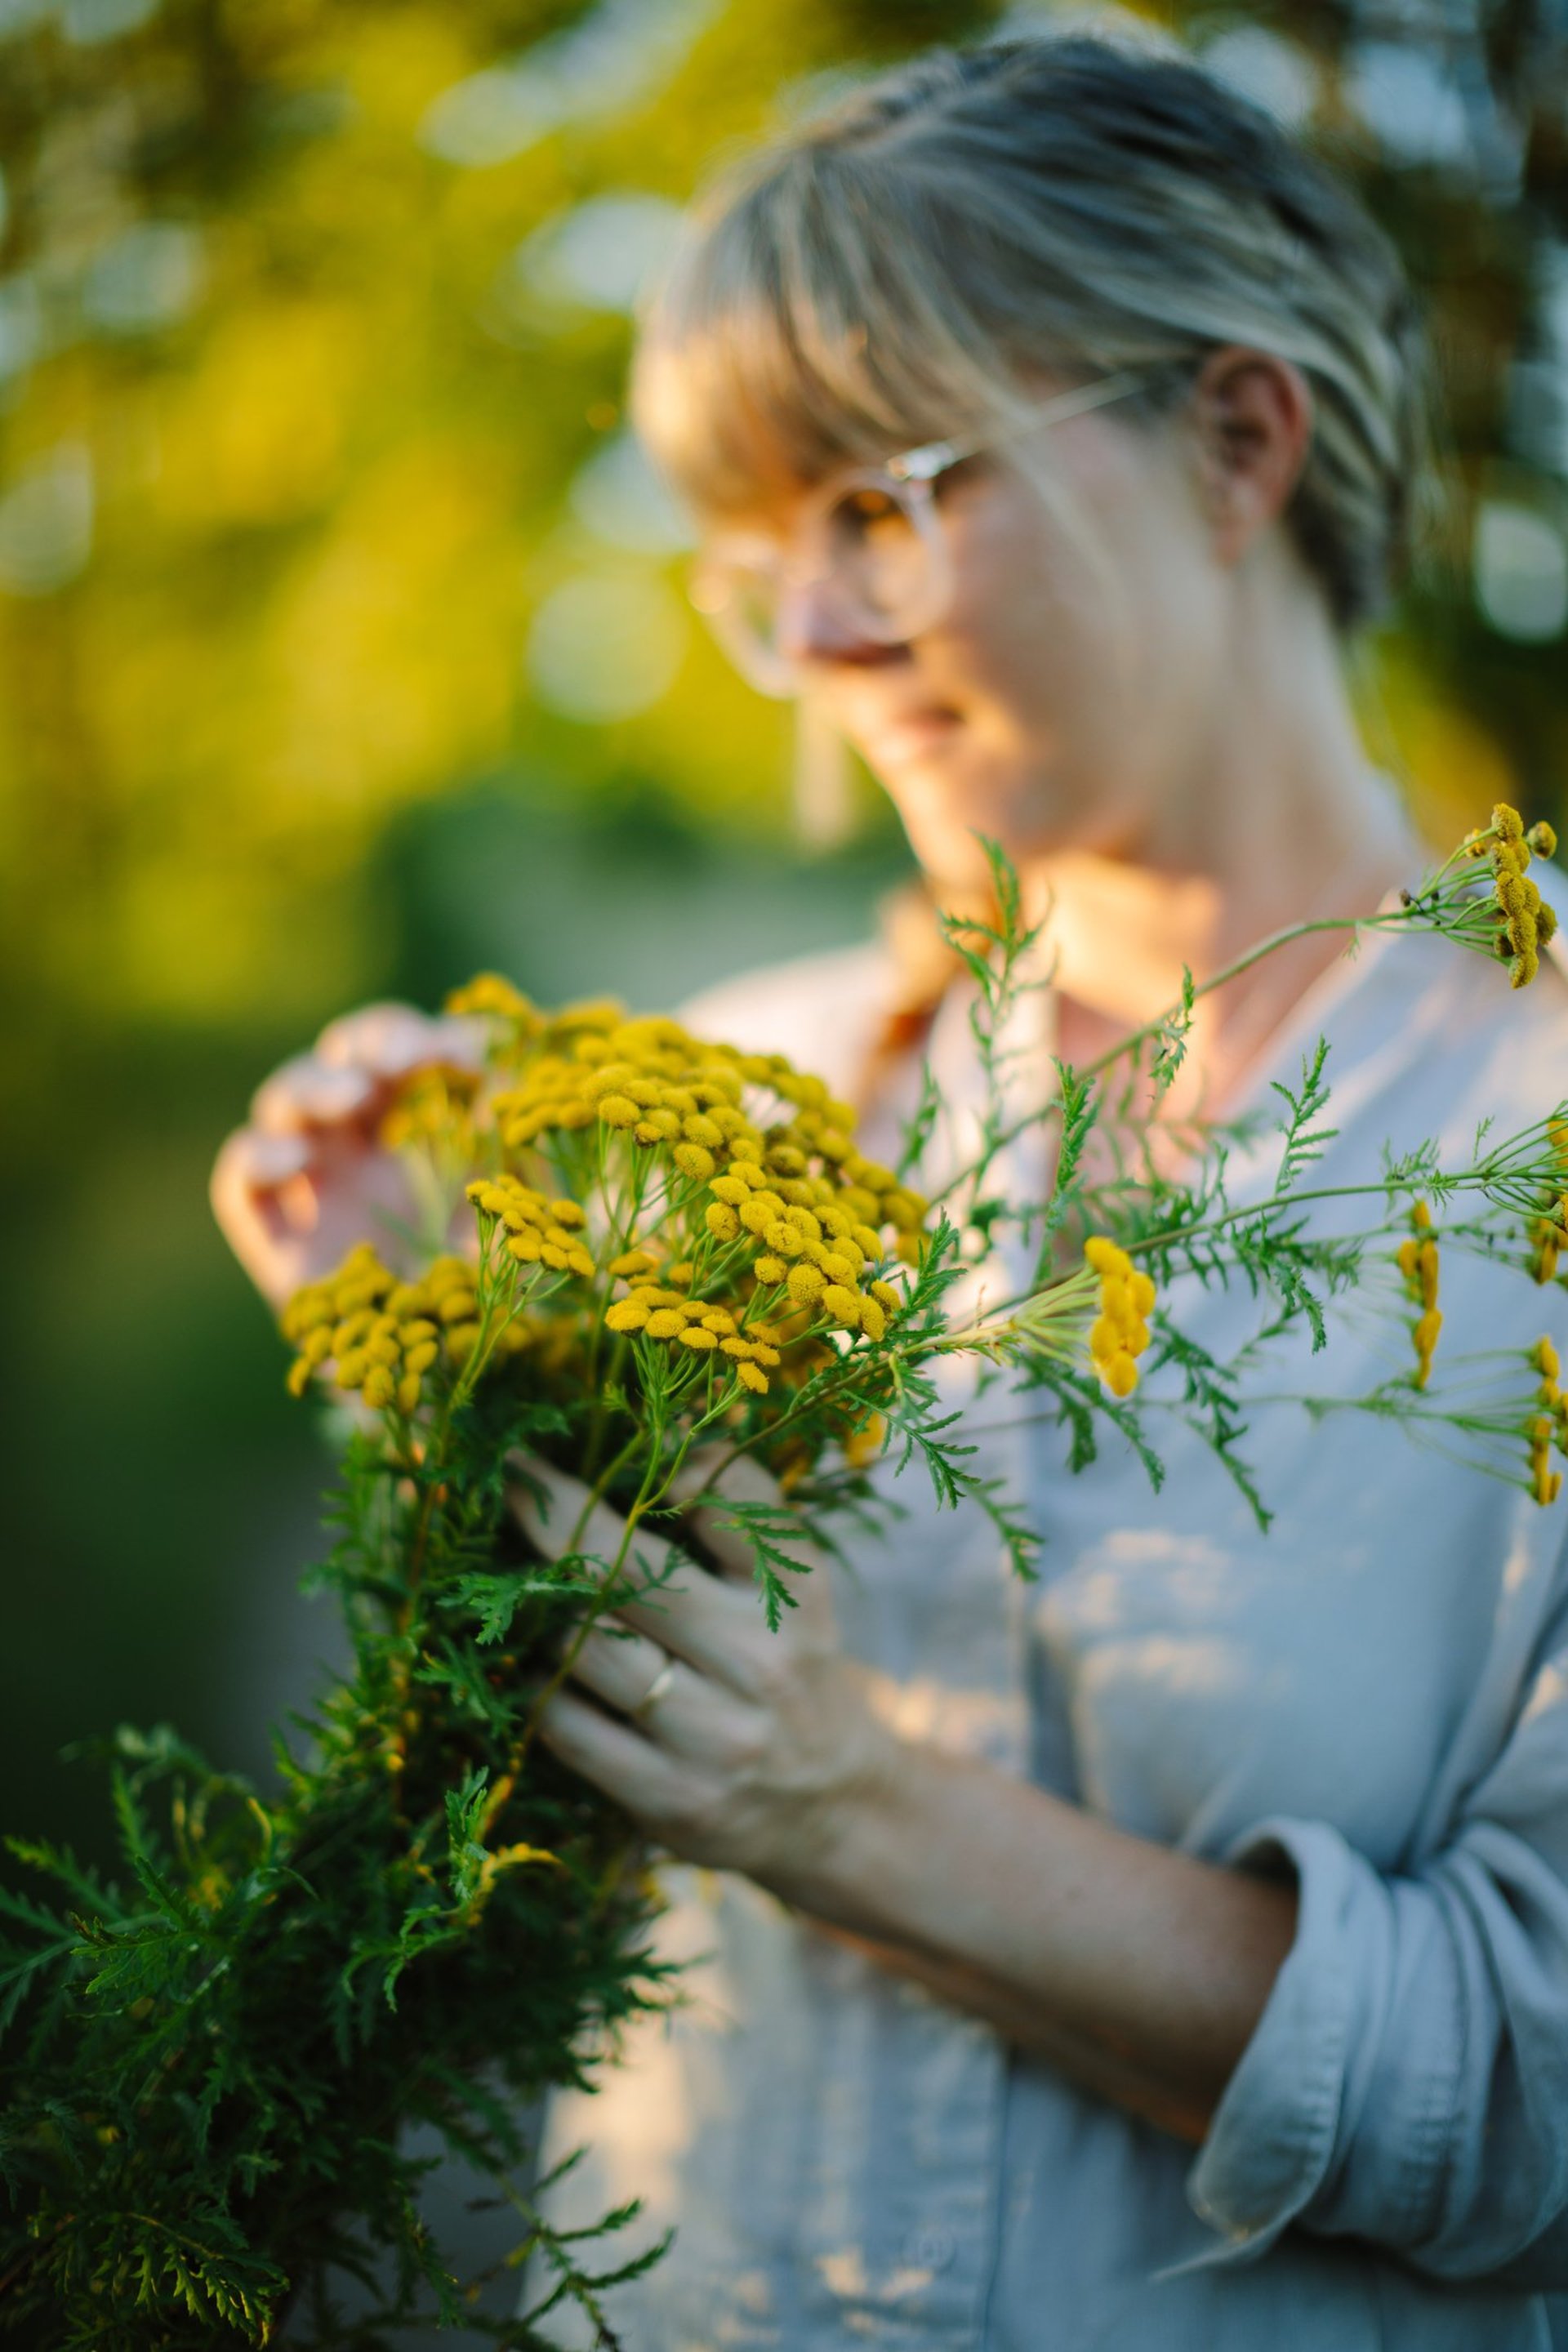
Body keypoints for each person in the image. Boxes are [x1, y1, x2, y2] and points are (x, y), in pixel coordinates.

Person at [212, 33, 1568, 2349]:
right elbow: (515, 1864)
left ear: (1239, 440)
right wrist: (423, 1356)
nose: (816, 647)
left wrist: (847, 1808)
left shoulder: (1521, 1146)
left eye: (883, 503)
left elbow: (1529, 2102)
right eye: (758, 562)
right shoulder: (720, 1101)